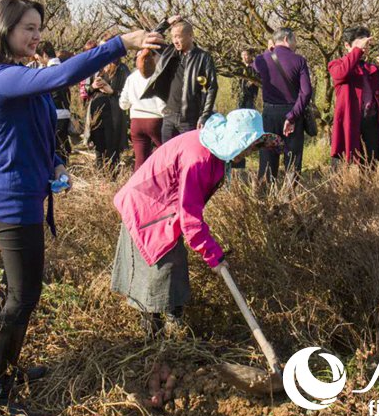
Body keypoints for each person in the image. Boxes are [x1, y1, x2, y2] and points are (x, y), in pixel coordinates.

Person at [0, 0, 163, 416]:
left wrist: (55, 161)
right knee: (24, 294)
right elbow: (70, 72)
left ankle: (7, 367)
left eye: (38, 28)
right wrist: (119, 43)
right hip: (13, 200)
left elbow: (38, 127)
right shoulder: (2, 78)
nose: (36, 36)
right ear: (5, 31)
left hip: (26, 194)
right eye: (27, 29)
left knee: (16, 290)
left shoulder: (22, 76)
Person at [111, 109, 282, 339]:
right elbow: (190, 218)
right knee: (158, 274)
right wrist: (214, 255)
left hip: (165, 209)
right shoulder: (199, 159)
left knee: (174, 268)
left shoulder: (215, 155)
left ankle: (172, 330)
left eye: (254, 147)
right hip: (146, 209)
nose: (250, 152)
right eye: (249, 146)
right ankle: (152, 340)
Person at [328, 26, 379, 167]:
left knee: (370, 163)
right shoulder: (337, 64)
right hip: (349, 122)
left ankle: (368, 188)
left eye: (366, 44)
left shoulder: (371, 69)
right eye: (360, 43)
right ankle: (348, 188)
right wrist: (357, 50)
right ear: (347, 45)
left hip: (371, 122)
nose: (364, 47)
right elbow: (341, 74)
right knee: (347, 162)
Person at [142, 19, 218, 142]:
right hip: (169, 116)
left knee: (187, 158)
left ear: (190, 35)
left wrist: (205, 115)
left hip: (190, 119)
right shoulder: (170, 52)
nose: (175, 41)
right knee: (168, 157)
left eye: (178, 36)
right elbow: (151, 38)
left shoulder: (203, 57)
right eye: (172, 37)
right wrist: (166, 22)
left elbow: (212, 87)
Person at [253, 28, 312, 179]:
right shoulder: (299, 60)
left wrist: (268, 51)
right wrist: (292, 117)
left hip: (269, 115)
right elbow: (305, 92)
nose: (296, 43)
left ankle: (266, 197)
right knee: (292, 160)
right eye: (295, 39)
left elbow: (255, 68)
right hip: (292, 114)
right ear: (287, 39)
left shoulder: (261, 59)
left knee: (267, 159)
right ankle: (290, 198)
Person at [119, 53, 165, 171]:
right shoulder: (159, 75)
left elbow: (123, 104)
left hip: (136, 122)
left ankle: (137, 187)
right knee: (166, 154)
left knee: (140, 160)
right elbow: (162, 103)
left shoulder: (131, 78)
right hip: (156, 120)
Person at [87, 53, 129, 171]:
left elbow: (127, 94)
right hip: (96, 115)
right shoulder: (97, 68)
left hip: (113, 115)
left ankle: (112, 177)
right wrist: (93, 86)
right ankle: (100, 177)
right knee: (99, 148)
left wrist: (112, 91)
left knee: (112, 148)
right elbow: (88, 92)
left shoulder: (122, 69)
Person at [36, 41, 73, 163]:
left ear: (45, 55)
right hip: (65, 111)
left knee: (55, 147)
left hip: (54, 112)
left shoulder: (48, 72)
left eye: (39, 58)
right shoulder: (64, 68)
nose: (39, 61)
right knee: (63, 144)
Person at [233, 48, 261, 169]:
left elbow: (258, 81)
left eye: (246, 55)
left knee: (250, 118)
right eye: (243, 55)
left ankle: (251, 142)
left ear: (250, 56)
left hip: (251, 96)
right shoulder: (239, 68)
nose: (245, 57)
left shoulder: (254, 68)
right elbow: (235, 82)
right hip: (241, 96)